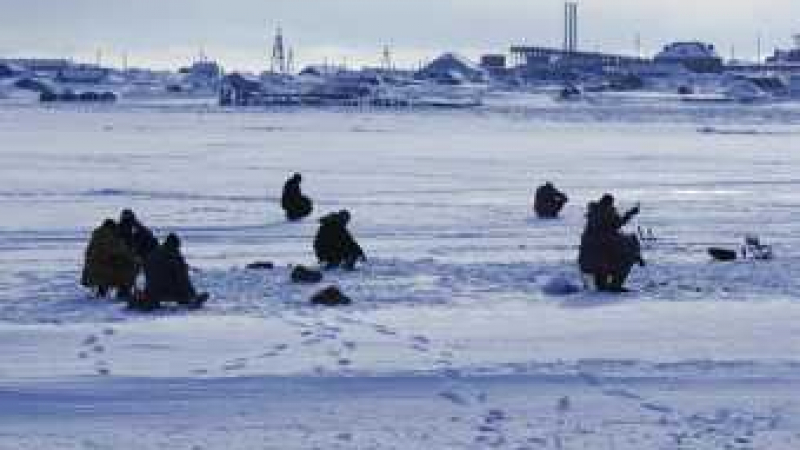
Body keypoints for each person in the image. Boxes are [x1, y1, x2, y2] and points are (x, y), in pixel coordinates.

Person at [578, 194, 644, 292]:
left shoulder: (592, 223)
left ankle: (604, 286)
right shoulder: (607, 217)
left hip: (587, 263)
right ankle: (615, 285)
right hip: (600, 261)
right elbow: (618, 224)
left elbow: (616, 225)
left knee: (605, 265)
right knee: (626, 257)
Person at [138, 233, 207, 311]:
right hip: (166, 290)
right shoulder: (171, 257)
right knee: (181, 275)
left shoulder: (154, 253)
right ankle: (189, 297)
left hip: (151, 290)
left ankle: (187, 297)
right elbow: (181, 278)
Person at [81, 219, 138, 299]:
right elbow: (120, 251)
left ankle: (103, 291)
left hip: (91, 270)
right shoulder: (109, 236)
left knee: (112, 267)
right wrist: (134, 258)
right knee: (126, 268)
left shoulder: (97, 235)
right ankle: (123, 291)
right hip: (102, 269)